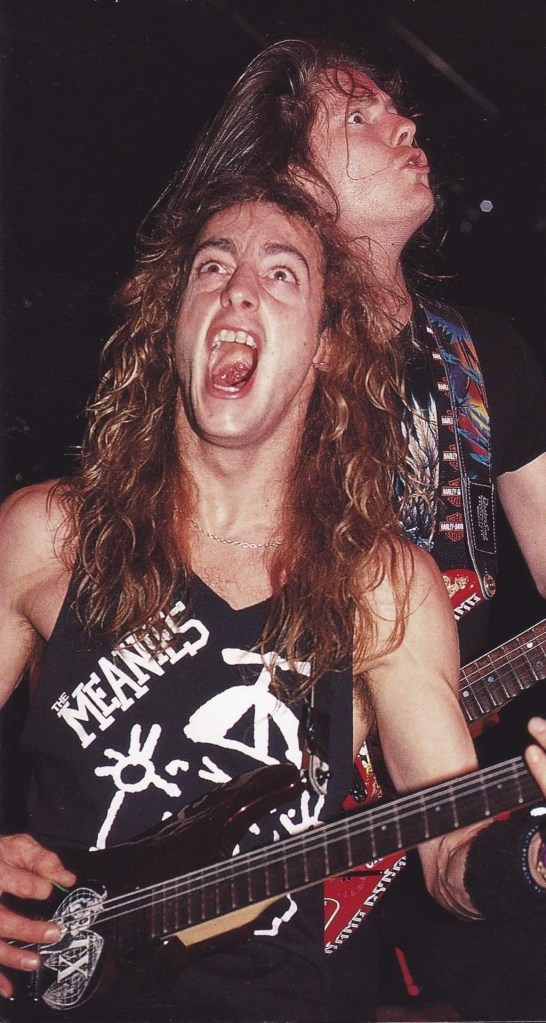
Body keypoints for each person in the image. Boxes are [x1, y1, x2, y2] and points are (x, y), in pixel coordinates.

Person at [1, 173, 545, 1023]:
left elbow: (451, 856)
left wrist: (535, 854)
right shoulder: (48, 534)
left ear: (326, 344)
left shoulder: (385, 583)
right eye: (213, 268)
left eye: (282, 274)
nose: (240, 289)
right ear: (173, 321)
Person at [143, 39, 546, 1020]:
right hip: (280, 818)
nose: (405, 123)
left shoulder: (485, 353)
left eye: (396, 108)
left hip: (462, 787)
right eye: (358, 115)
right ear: (293, 180)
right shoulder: (243, 371)